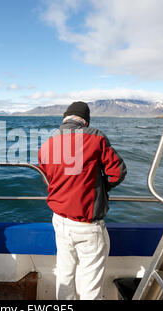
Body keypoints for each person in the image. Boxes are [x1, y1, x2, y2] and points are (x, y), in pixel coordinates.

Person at [38, 101, 127, 300]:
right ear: (85, 121)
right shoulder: (95, 137)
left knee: (64, 274)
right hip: (88, 225)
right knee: (90, 285)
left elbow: (48, 176)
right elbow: (117, 173)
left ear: (65, 118)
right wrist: (101, 187)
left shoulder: (47, 143)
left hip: (59, 221)